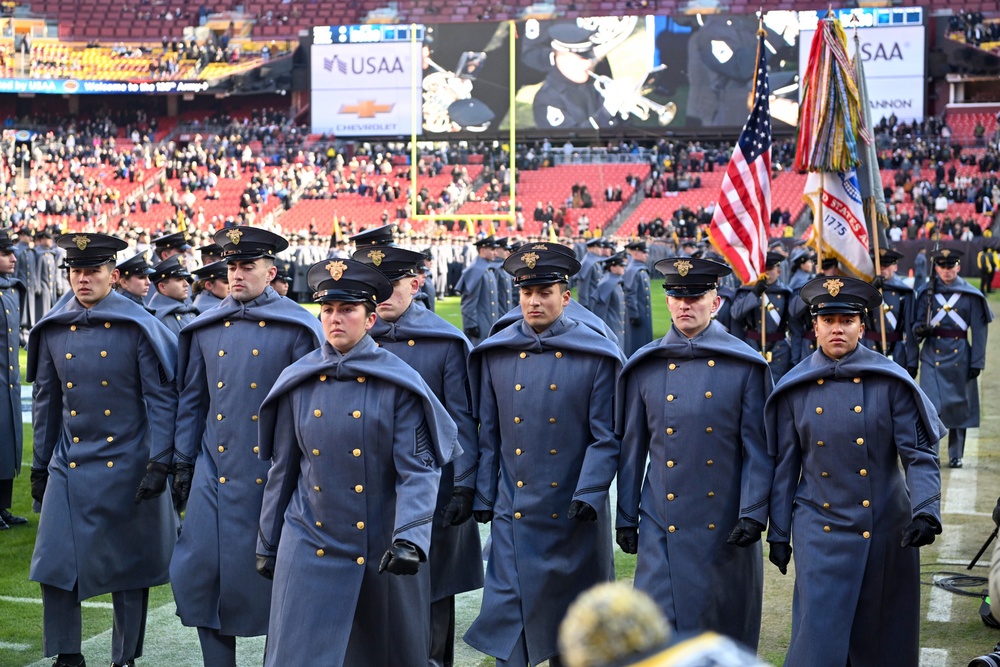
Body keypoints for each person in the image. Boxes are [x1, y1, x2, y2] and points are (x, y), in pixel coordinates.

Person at [255, 258, 459, 666]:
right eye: (328, 310)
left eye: (347, 310)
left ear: (369, 320)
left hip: (380, 543)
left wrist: (409, 540)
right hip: (309, 537)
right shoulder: (298, 379)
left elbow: (417, 470)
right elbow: (284, 469)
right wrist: (268, 540)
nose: (335, 319)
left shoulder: (398, 382)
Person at [766, 275, 945, 667]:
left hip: (883, 526)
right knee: (818, 636)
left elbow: (918, 454)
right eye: (828, 321)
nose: (836, 329)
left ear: (862, 326)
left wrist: (926, 511)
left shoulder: (890, 382)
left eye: (846, 321)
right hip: (819, 527)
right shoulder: (794, 388)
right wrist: (778, 533)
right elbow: (784, 467)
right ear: (815, 326)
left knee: (879, 636)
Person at [464, 243, 624, 667]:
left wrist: (589, 494)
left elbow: (606, 437)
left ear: (565, 296)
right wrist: (483, 495)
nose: (534, 301)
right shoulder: (494, 354)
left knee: (573, 633)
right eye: (526, 292)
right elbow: (488, 434)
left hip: (573, 517)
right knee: (510, 624)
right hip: (513, 513)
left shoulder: (596, 354)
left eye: (545, 292)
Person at [170, 226, 323, 667]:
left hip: (276, 478)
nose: (236, 274)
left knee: (283, 587)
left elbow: (311, 411)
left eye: (247, 266)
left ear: (270, 271)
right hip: (213, 476)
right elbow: (192, 402)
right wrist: (182, 462)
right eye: (232, 266)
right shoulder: (205, 327)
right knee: (203, 579)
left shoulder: (298, 326)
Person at [28, 232, 178, 667]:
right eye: (75, 271)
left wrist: (160, 461)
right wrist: (40, 465)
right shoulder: (55, 327)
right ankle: (67, 655)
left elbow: (161, 399)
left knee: (128, 569)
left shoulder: (136, 326)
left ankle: (124, 657)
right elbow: (47, 400)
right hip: (70, 462)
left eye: (92, 271)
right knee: (53, 564)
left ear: (113, 275)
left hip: (129, 461)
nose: (82, 279)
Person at [615, 257, 772, 650]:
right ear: (667, 302)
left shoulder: (745, 365)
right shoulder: (645, 366)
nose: (685, 304)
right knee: (656, 636)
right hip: (661, 524)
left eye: (695, 296)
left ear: (715, 302)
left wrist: (753, 514)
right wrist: (626, 517)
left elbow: (760, 451)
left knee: (718, 633)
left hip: (724, 526)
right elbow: (632, 449)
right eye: (676, 296)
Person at [353, 244, 483, 667]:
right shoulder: (354, 339)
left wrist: (464, 485)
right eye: (374, 287)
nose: (383, 293)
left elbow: (462, 420)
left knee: (431, 590)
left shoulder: (444, 341)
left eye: (391, 284)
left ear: (416, 282)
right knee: (372, 590)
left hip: (433, 490)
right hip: (368, 487)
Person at [912, 248, 992, 468]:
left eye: (950, 266)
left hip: (960, 356)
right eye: (942, 266)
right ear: (936, 267)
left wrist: (977, 362)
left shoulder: (971, 295)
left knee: (958, 407)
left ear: (957, 266)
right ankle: (932, 453)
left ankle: (956, 454)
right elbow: (914, 325)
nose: (946, 271)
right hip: (931, 355)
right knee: (930, 408)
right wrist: (920, 331)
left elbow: (979, 330)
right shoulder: (925, 292)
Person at [532, 24, 619, 130]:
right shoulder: (546, 101)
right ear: (563, 60)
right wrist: (606, 113)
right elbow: (574, 140)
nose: (590, 64)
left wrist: (623, 111)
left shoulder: (595, 81)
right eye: (583, 58)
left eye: (591, 57)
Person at [731, 251, 793, 381]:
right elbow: (735, 313)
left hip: (778, 348)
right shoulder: (746, 291)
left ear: (778, 272)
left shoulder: (786, 293)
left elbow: (794, 324)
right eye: (764, 269)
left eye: (770, 269)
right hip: (752, 345)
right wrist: (755, 293)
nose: (767, 273)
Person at [0, 227, 25, 529]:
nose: (13, 257)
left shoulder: (10, 290)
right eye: (5, 253)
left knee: (8, 444)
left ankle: (3, 507)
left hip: (9, 382)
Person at [863, 248, 915, 370]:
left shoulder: (905, 292)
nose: (882, 268)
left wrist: (912, 360)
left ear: (895, 267)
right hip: (869, 347)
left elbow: (909, 329)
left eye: (886, 265)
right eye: (878, 264)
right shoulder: (864, 290)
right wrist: (870, 289)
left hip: (896, 349)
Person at [455, 235, 499, 346]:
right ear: (483, 250)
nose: (496, 253)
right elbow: (468, 302)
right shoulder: (476, 269)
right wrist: (471, 325)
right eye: (492, 249)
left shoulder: (487, 268)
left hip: (488, 323)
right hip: (479, 326)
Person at [149, 256, 199, 336]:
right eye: (179, 280)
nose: (186, 284)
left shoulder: (191, 311)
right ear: (162, 287)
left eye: (185, 279)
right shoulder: (157, 319)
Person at [592, 251, 627, 351]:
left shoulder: (615, 281)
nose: (623, 268)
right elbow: (600, 312)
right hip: (610, 328)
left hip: (616, 326)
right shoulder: (607, 283)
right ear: (612, 267)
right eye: (621, 266)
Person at [622, 241, 653, 356]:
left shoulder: (639, 268)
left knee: (643, 342)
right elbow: (630, 293)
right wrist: (634, 314)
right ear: (636, 253)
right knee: (636, 344)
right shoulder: (632, 270)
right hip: (637, 313)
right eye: (644, 252)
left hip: (643, 312)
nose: (647, 255)